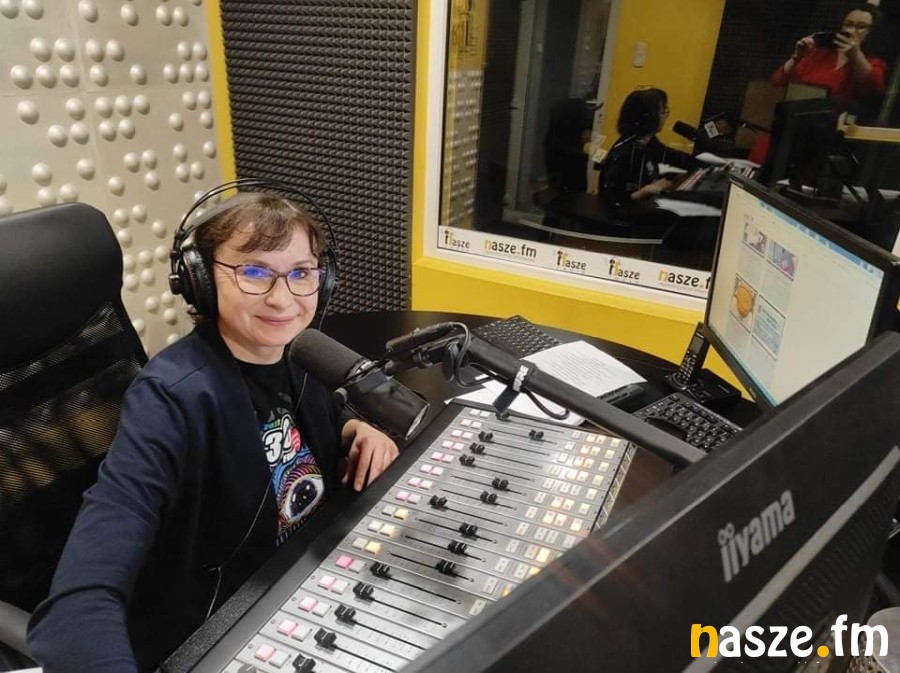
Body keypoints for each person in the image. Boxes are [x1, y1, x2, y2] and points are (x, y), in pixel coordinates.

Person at [27, 191, 400, 672]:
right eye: (254, 272)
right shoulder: (169, 399)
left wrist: (354, 427)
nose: (283, 298)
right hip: (224, 622)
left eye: (301, 273)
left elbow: (308, 413)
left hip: (310, 576)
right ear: (199, 280)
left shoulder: (300, 351)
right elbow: (75, 610)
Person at [772, 3, 887, 112]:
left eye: (860, 27)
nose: (851, 31)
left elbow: (873, 88)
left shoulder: (873, 63)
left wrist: (855, 55)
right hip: (798, 114)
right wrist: (796, 57)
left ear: (871, 32)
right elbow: (778, 81)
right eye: (848, 24)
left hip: (834, 121)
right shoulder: (819, 54)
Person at [599, 87, 701, 206]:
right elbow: (613, 199)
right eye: (662, 112)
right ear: (649, 117)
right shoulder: (624, 151)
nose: (665, 116)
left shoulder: (651, 143)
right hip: (626, 213)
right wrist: (650, 189)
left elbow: (675, 158)